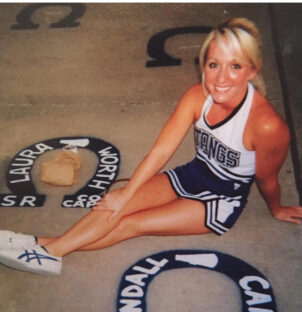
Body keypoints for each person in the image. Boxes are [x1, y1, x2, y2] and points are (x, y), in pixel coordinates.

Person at [0, 17, 301, 275]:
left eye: (235, 66)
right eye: (213, 64)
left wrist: (275, 209)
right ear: (203, 65)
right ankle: (41, 246)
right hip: (193, 174)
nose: (221, 78)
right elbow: (161, 151)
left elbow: (266, 178)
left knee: (131, 223)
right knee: (116, 205)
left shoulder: (266, 124)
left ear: (252, 69)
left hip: (222, 199)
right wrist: (126, 194)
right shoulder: (197, 96)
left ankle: (46, 251)